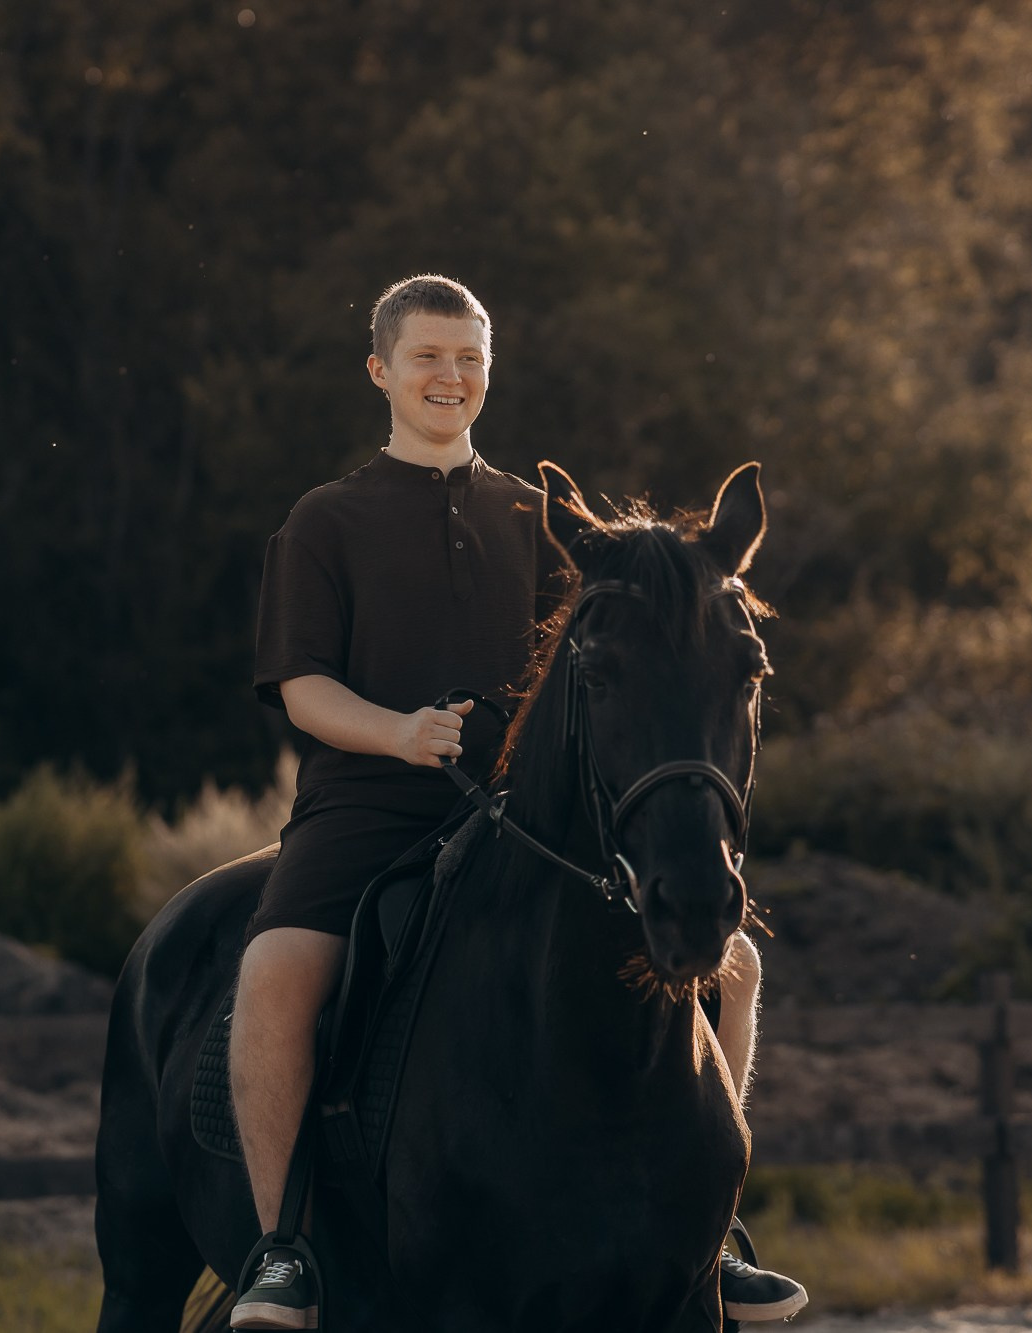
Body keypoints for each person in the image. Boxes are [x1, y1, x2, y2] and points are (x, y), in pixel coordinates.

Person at [229, 274, 805, 1330]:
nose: (448, 376)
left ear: (488, 372)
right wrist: (399, 733)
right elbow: (302, 687)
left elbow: (607, 674)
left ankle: (708, 1232)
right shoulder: (325, 520)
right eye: (426, 357)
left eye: (468, 359)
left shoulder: (539, 520)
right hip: (367, 808)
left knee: (737, 967)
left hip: (527, 819)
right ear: (381, 370)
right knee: (274, 974)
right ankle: (282, 1248)